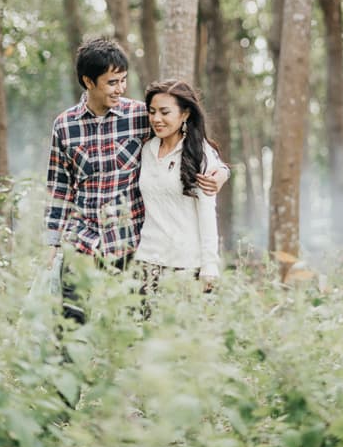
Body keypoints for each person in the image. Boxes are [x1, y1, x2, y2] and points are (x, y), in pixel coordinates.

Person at [45, 38, 228, 317]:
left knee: (124, 328)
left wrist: (223, 173)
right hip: (81, 242)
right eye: (112, 82)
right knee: (71, 327)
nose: (120, 89)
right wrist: (52, 243)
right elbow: (60, 188)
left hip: (128, 246)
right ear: (88, 81)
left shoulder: (140, 116)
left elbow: (188, 141)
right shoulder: (64, 126)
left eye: (123, 80)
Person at [134, 79, 224, 296]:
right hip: (147, 260)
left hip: (185, 264)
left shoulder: (200, 153)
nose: (156, 119)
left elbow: (206, 212)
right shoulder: (147, 149)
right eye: (152, 111)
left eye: (165, 112)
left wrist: (209, 264)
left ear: (184, 114)